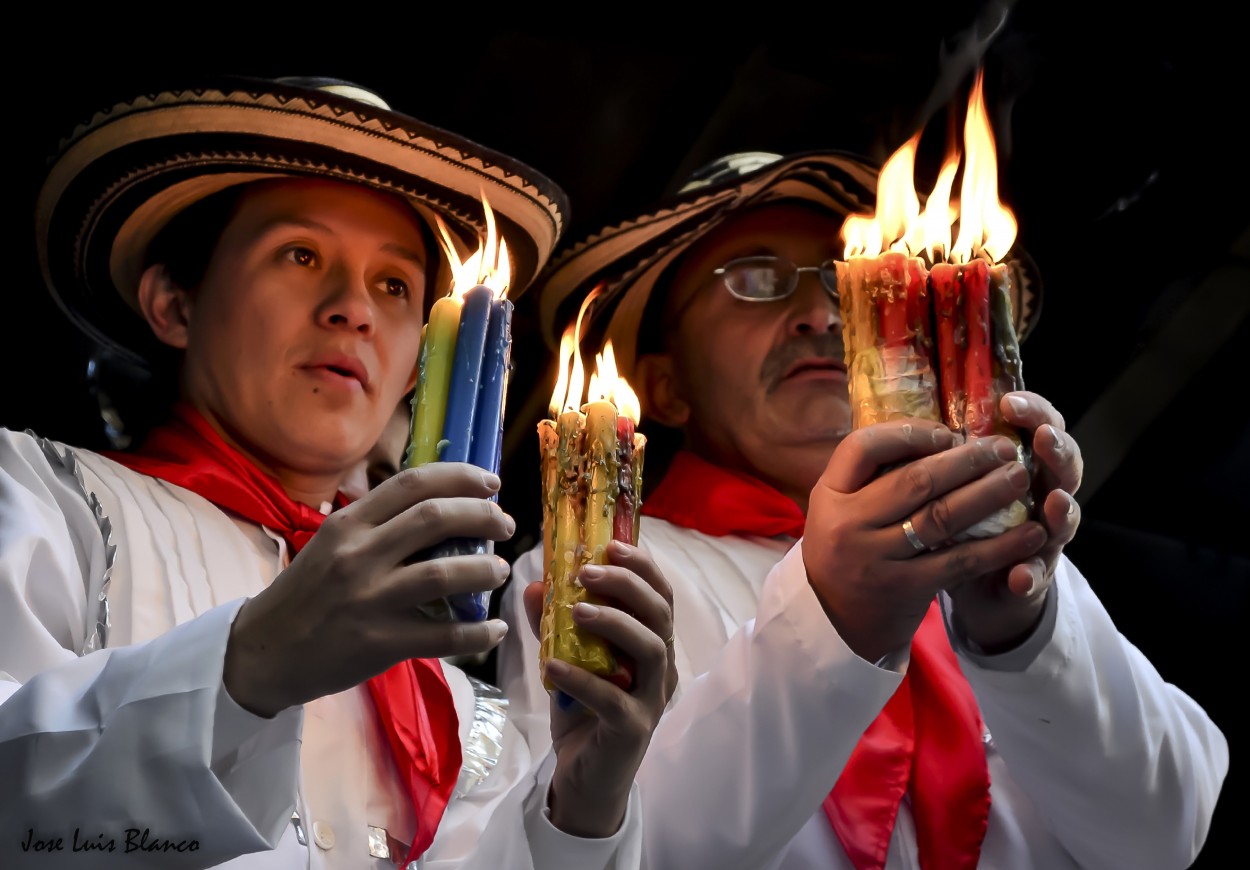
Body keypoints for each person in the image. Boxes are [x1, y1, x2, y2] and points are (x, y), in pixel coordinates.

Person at [0, 75, 677, 870]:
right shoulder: (40, 497)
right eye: (300, 253)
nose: (353, 308)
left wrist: (582, 806)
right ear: (175, 305)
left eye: (394, 285)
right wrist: (244, 668)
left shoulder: (446, 688)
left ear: (421, 370)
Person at [500, 150, 1230, 869]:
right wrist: (835, 619)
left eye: (839, 281)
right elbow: (601, 853)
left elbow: (1163, 835)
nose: (816, 313)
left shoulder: (1002, 538)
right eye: (755, 280)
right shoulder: (605, 573)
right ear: (664, 388)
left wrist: (1017, 632)